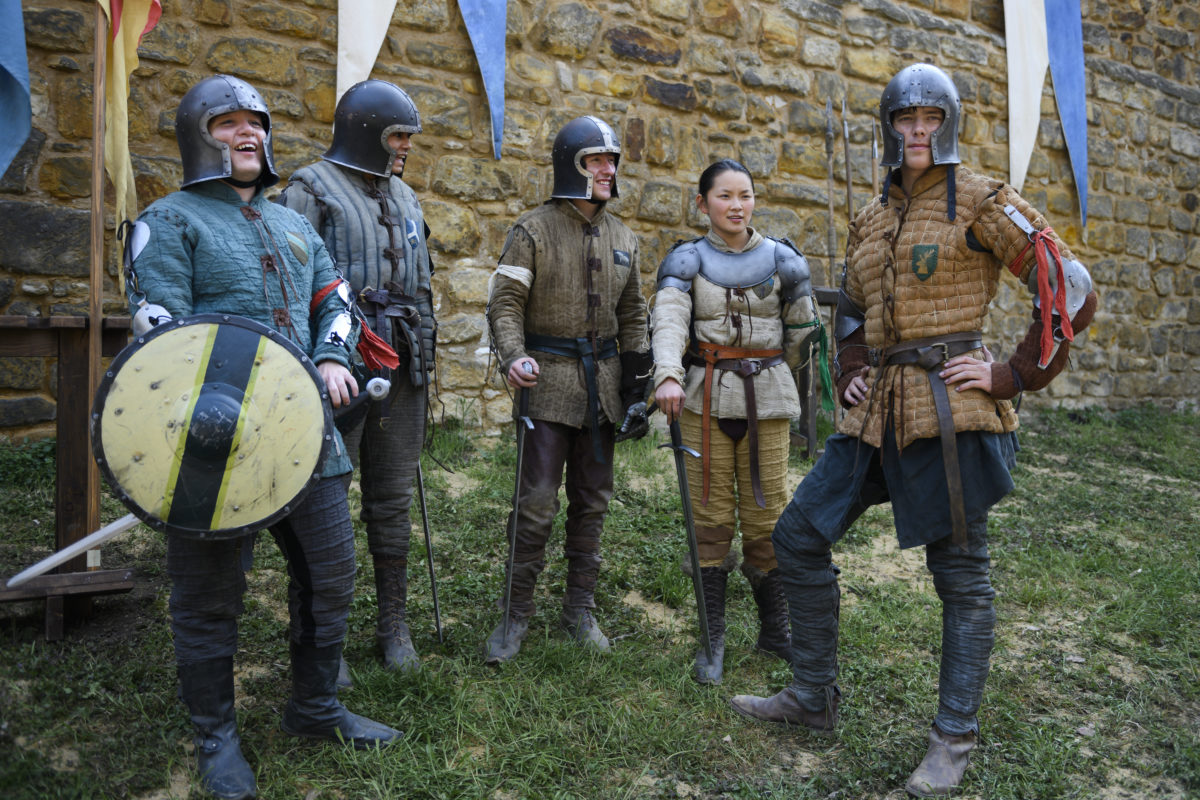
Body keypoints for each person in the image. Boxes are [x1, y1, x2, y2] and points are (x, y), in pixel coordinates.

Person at [729, 63, 1098, 798]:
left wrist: (1012, 374)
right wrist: (851, 362)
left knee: (960, 577)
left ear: (949, 124)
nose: (919, 131)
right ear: (890, 128)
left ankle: (952, 740)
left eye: (931, 119)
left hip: (950, 410)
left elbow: (1071, 286)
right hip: (876, 411)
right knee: (797, 535)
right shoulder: (872, 216)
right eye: (906, 119)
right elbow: (852, 306)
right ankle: (813, 694)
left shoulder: (985, 199)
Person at [127, 75, 402, 800]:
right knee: (208, 596)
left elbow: (333, 299)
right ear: (198, 136)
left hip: (307, 434)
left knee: (331, 574)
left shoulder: (294, 225)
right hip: (212, 442)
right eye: (227, 123)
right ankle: (215, 738)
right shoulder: (169, 220)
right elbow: (161, 328)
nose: (247, 133)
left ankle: (315, 707)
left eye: (255, 122)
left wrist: (333, 357)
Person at [279, 79, 434, 676]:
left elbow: (421, 285)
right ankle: (322, 635)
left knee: (392, 498)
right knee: (323, 503)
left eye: (409, 138)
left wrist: (424, 355)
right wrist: (308, 366)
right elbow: (289, 290)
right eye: (398, 136)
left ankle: (393, 623)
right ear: (367, 133)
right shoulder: (309, 190)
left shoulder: (408, 197)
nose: (406, 147)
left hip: (402, 365)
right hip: (335, 367)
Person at [484, 115, 652, 664]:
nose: (607, 170)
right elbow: (505, 304)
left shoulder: (624, 237)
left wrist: (636, 388)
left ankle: (579, 608)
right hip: (548, 383)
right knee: (535, 503)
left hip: (602, 387)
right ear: (571, 166)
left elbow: (634, 316)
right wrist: (515, 355)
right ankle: (515, 612)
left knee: (593, 502)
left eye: (611, 161)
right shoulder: (531, 230)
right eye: (595, 160)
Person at [651, 159, 823, 685]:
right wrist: (668, 374)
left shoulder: (784, 261)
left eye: (744, 195)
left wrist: (780, 378)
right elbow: (669, 320)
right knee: (709, 518)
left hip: (766, 401)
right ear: (703, 203)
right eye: (724, 196)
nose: (736, 205)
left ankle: (776, 631)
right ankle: (713, 638)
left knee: (768, 516)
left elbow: (803, 334)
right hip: (703, 400)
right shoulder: (686, 260)